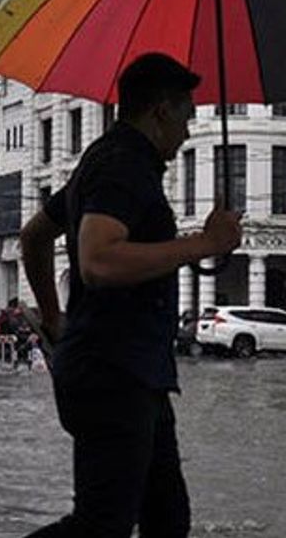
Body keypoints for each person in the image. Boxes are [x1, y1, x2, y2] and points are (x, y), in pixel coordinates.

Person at [20, 52, 243, 538]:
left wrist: (57, 320)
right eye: (187, 114)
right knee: (103, 524)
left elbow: (35, 236)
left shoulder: (104, 160)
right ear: (161, 110)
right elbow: (98, 261)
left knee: (166, 519)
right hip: (114, 371)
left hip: (130, 371)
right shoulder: (124, 164)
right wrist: (204, 244)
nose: (188, 130)